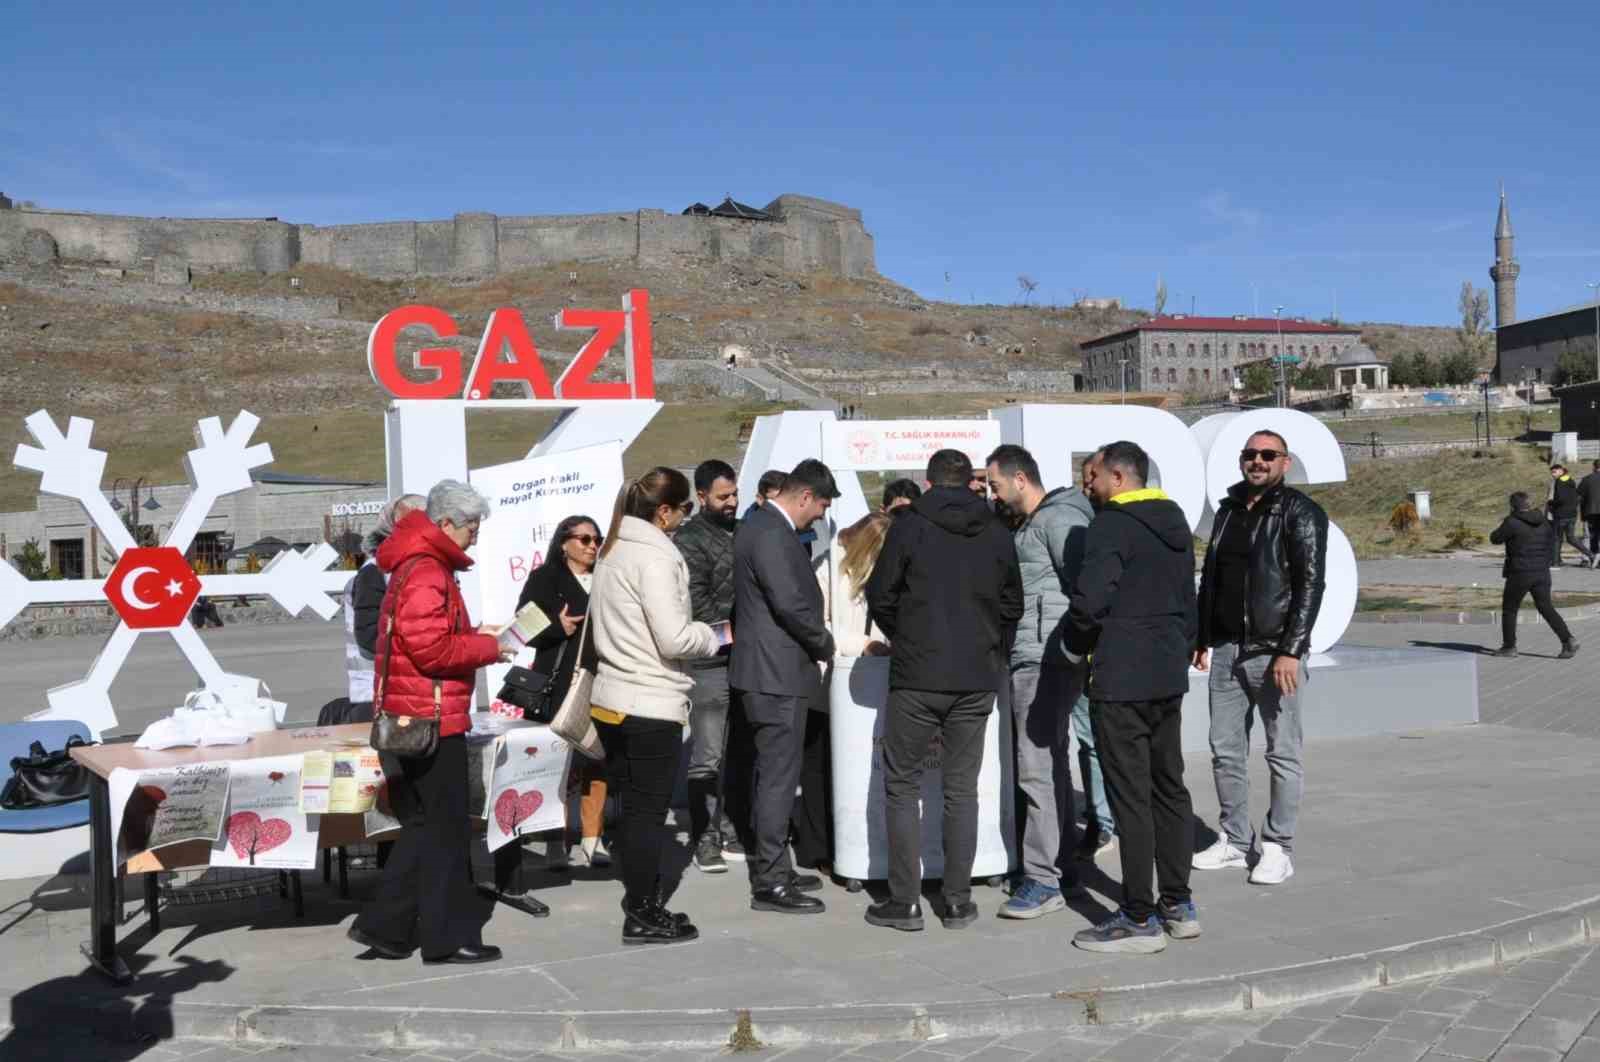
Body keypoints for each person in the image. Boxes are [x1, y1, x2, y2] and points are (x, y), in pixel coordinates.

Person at [349, 480, 513, 966]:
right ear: (444, 524)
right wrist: (488, 647)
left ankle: (386, 926)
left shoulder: (417, 565)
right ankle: (444, 939)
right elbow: (432, 650)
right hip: (431, 721)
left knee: (424, 827)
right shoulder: (427, 571)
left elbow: (428, 639)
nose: (475, 535)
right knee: (443, 832)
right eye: (471, 526)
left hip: (415, 715)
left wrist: (472, 634)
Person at [865, 449, 1023, 932]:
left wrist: (906, 637)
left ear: (929, 482)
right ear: (970, 481)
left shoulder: (908, 527)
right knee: (961, 790)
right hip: (975, 676)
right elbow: (1012, 604)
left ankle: (905, 901)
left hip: (917, 674)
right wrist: (991, 650)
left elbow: (880, 595)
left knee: (901, 786)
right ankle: (956, 901)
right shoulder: (996, 530)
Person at [1065, 442, 1199, 955]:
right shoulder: (1175, 521)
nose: (1087, 485)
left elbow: (1089, 603)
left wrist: (1074, 649)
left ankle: (1139, 915)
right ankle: (1179, 903)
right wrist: (1179, 650)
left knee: (1130, 798)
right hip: (1167, 676)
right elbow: (1188, 600)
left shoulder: (1111, 526)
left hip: (1120, 680)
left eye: (1093, 475)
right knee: (1169, 788)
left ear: (1119, 476)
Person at [589, 468, 723, 944]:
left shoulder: (613, 549)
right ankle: (643, 911)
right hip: (648, 699)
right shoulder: (655, 558)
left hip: (612, 697)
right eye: (684, 508)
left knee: (630, 808)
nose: (685, 518)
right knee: (648, 813)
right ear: (664, 511)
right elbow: (673, 636)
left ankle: (638, 897)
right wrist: (717, 633)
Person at [1192, 431, 1327, 888]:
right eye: (1250, 454)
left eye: (1268, 455)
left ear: (1284, 463)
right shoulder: (1229, 511)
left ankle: (1277, 847)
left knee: (1281, 753)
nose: (1257, 461)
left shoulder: (1300, 512)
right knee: (1224, 751)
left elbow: (1311, 585)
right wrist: (1202, 634)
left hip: (1274, 654)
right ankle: (1233, 840)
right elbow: (1212, 577)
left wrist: (1291, 650)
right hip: (1227, 649)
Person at [984, 444, 1095, 919]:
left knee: (1035, 769)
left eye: (995, 484)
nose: (992, 493)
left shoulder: (1056, 521)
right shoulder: (1036, 523)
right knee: (1051, 766)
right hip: (1039, 653)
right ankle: (1062, 867)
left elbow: (1085, 587)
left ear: (1020, 480)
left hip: (1045, 657)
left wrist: (1069, 648)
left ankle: (1042, 880)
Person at [727, 459, 838, 915]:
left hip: (767, 672)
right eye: (820, 508)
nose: (819, 518)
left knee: (770, 776)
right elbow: (790, 603)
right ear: (805, 496)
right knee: (777, 779)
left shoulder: (760, 526)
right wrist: (826, 642)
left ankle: (775, 864)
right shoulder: (771, 531)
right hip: (776, 674)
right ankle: (771, 881)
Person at [514, 514, 607, 869]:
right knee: (557, 764)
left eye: (596, 539)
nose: (592, 546)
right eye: (584, 539)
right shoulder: (545, 578)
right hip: (558, 685)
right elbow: (522, 627)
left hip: (602, 681)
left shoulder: (607, 578)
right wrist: (559, 626)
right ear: (564, 542)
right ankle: (555, 840)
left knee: (597, 760)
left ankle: (592, 840)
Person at [675, 459, 742, 874]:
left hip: (745, 660)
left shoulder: (744, 531)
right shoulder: (689, 539)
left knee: (740, 750)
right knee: (708, 755)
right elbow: (697, 604)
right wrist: (737, 631)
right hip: (708, 660)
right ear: (701, 496)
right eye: (723, 496)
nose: (732, 502)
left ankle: (733, 826)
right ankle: (705, 837)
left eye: (734, 493)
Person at [343, 494, 425, 710]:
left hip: (407, 691)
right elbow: (369, 637)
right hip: (376, 694)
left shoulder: (412, 568)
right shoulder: (374, 572)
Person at [1490, 492, 1579, 659]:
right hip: (1542, 571)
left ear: (1512, 506)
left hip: (1520, 572)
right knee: (1545, 607)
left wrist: (1505, 522)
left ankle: (1509, 647)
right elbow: (1552, 541)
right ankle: (1568, 640)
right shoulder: (1543, 520)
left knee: (1509, 609)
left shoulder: (1512, 522)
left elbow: (1495, 538)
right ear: (1529, 504)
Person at [1546, 464, 1591, 567]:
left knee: (1557, 538)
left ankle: (1555, 562)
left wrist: (1551, 502)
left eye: (1554, 472)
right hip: (1572, 515)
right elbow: (1575, 498)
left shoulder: (1559, 481)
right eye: (1551, 473)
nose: (1553, 475)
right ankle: (1591, 555)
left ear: (1561, 471)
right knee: (1571, 538)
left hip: (1561, 515)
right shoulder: (1571, 480)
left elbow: (1561, 499)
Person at [1579, 460, 1600, 564]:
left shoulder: (1586, 480)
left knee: (1589, 535)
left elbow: (1579, 497)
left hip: (1589, 512)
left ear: (1594, 467)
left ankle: (1588, 558)